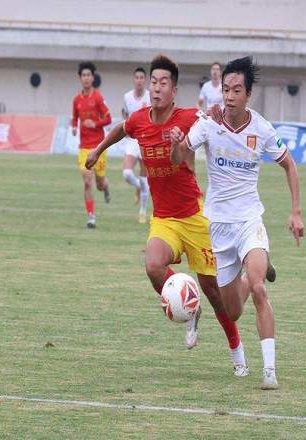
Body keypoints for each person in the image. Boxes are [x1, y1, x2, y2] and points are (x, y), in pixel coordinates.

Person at [86, 54, 249, 377]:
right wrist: (98, 149)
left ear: (174, 91)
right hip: (164, 219)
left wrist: (219, 115)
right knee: (152, 266)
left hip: (195, 217)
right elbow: (121, 129)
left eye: (164, 83)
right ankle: (189, 306)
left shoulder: (187, 118)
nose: (157, 88)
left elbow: (213, 121)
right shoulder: (140, 120)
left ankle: (237, 350)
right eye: (154, 82)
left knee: (215, 292)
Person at [170, 56, 304, 390]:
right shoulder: (207, 123)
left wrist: (295, 211)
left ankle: (269, 371)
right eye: (225, 90)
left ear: (248, 94)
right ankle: (258, 265)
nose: (229, 96)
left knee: (259, 288)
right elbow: (178, 157)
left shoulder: (262, 129)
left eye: (236, 90)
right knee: (233, 311)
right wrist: (175, 144)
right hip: (219, 226)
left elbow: (289, 165)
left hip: (248, 220)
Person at [71, 61, 112, 229]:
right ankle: (91, 217)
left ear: (93, 78)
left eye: (89, 75)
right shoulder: (76, 100)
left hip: (99, 147)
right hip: (84, 147)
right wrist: (74, 127)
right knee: (87, 181)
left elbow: (108, 118)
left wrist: (95, 124)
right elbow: (74, 117)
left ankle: (106, 186)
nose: (86, 78)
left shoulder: (98, 98)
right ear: (80, 78)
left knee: (99, 184)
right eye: (83, 75)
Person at [121, 67, 151, 224]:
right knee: (127, 173)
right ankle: (139, 186)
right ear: (134, 80)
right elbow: (125, 113)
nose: (139, 80)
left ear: (145, 80)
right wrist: (126, 126)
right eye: (137, 77)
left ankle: (143, 211)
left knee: (144, 176)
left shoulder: (150, 96)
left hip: (146, 140)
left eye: (141, 77)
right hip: (132, 140)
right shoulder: (127, 97)